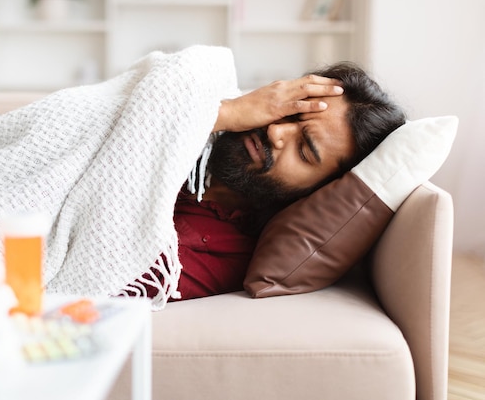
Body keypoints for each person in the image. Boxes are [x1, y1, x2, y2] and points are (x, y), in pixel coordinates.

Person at [169, 61, 406, 300]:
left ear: (319, 189)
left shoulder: (223, 253)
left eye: (304, 150)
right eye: (289, 112)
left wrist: (224, 114)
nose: (275, 131)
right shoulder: (192, 131)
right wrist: (225, 111)